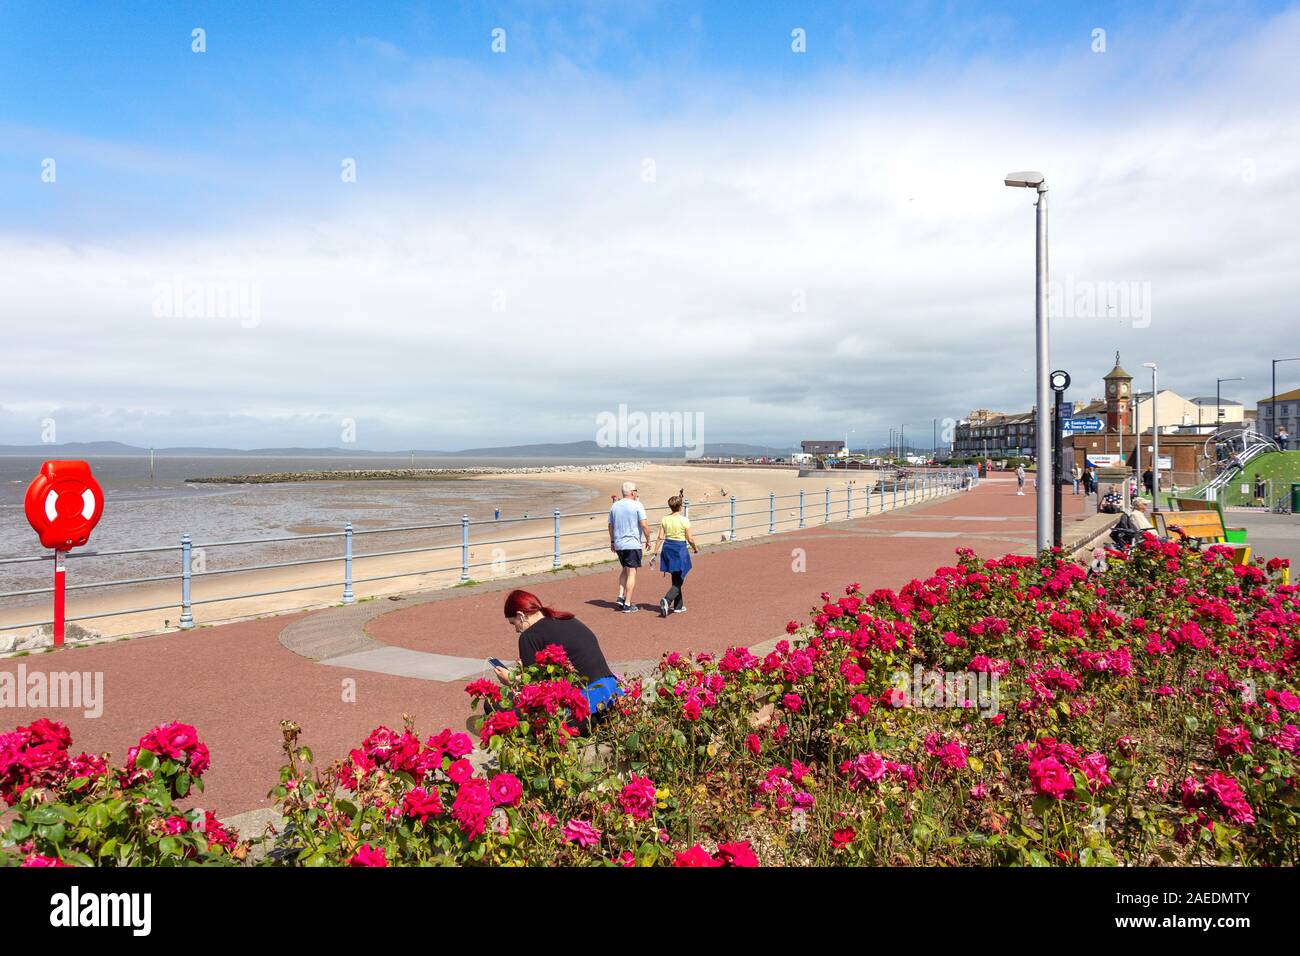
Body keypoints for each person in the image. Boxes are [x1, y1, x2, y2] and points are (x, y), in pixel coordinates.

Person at [494, 590, 621, 725]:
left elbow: (533, 689)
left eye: (514, 624)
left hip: (582, 715)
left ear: (521, 615)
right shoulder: (567, 619)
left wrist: (511, 680)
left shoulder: (529, 636)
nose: (516, 630)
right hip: (612, 702)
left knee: (498, 705)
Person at [652, 489, 699, 616]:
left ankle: (678, 606)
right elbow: (690, 539)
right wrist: (695, 548)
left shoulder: (665, 519)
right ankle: (667, 600)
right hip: (679, 549)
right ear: (680, 507)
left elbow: (660, 537)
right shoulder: (684, 520)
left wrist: (655, 553)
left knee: (676, 576)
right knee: (680, 578)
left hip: (667, 548)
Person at [608, 480, 651, 613]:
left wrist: (612, 541)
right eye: (636, 491)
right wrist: (649, 539)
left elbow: (610, 526)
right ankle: (627, 603)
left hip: (619, 544)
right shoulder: (637, 505)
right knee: (632, 572)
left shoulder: (614, 506)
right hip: (632, 543)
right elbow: (644, 525)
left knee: (625, 569)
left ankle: (621, 596)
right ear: (632, 492)